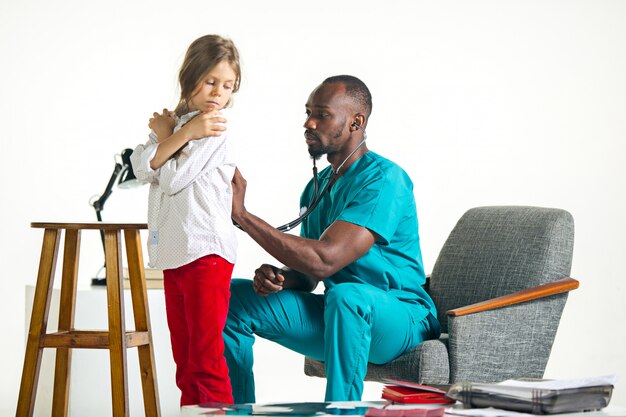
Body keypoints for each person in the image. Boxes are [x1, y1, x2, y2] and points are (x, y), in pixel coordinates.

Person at [225, 75, 440, 403]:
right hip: (341, 312)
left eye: (321, 114)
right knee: (233, 298)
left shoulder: (385, 180)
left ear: (356, 121)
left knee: (349, 296)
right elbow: (310, 275)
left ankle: (341, 412)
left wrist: (244, 217)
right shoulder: (316, 187)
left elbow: (326, 260)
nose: (308, 123)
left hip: (401, 319)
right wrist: (283, 278)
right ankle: (238, 410)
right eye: (308, 112)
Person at [130, 34, 241, 406]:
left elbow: (174, 179)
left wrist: (178, 136)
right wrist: (176, 133)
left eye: (227, 86)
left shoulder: (214, 129)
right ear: (190, 76)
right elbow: (140, 167)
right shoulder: (175, 124)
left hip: (205, 252)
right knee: (185, 362)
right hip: (175, 255)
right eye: (210, 81)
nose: (217, 93)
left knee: (206, 361)